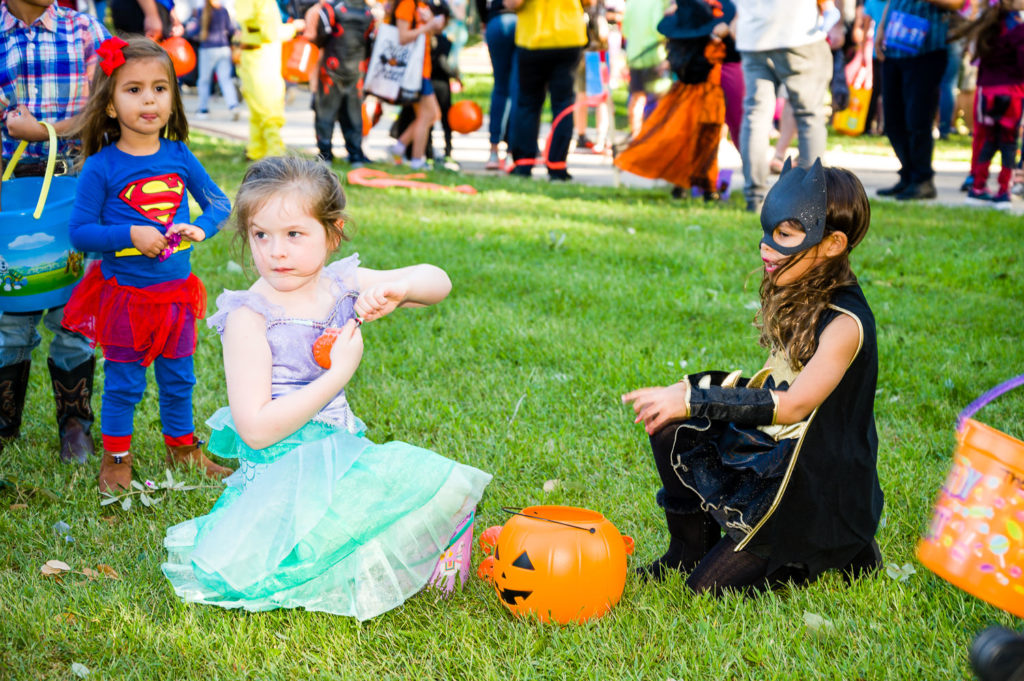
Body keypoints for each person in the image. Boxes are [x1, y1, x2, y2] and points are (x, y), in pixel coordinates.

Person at [161, 156, 491, 619]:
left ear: (332, 235)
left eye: (294, 234)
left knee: (438, 479)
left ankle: (424, 552)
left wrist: (399, 287)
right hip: (283, 476)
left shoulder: (341, 284)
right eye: (261, 235)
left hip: (343, 457)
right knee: (295, 564)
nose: (276, 252)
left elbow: (440, 283)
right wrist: (338, 375)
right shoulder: (249, 317)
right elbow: (255, 430)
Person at [623, 160, 884, 594]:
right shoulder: (797, 285)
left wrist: (696, 398)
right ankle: (687, 547)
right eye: (768, 231)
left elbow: (795, 405)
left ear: (833, 243)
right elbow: (774, 385)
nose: (766, 246)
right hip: (774, 447)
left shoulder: (845, 324)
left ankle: (841, 550)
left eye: (784, 235)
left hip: (813, 484)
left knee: (704, 591)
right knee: (669, 423)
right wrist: (687, 395)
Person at [60, 37, 233, 492]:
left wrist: (202, 227)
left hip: (176, 296)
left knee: (180, 377)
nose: (149, 99)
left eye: (160, 88)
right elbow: (79, 233)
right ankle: (117, 459)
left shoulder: (179, 156)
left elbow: (218, 202)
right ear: (112, 105)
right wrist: (129, 235)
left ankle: (183, 448)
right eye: (133, 89)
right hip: (126, 298)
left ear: (173, 99)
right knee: (123, 384)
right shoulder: (101, 166)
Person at [0, 0, 108, 463]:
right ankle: (5, 420)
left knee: (76, 314)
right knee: (8, 316)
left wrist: (49, 131)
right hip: (11, 194)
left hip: (75, 190)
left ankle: (74, 425)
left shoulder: (83, 27)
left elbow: (108, 100)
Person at [735, 0, 833, 213]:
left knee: (756, 116)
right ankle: (809, 200)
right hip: (798, 32)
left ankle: (755, 197)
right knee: (809, 116)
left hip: (753, 35)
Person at [874, 0, 966, 201]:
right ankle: (907, 175)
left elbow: (957, 3)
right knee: (892, 120)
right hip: (895, 45)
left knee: (918, 119)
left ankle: (922, 180)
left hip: (927, 50)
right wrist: (881, 27)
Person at [950, 0, 1024, 208]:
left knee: (988, 141)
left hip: (986, 94)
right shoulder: (1017, 27)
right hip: (1011, 95)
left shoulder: (986, 25)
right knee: (1009, 144)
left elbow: (978, 59)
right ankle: (1003, 192)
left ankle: (978, 186)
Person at [505, 0, 586, 181]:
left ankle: (524, 163)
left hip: (534, 36)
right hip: (569, 36)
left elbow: (513, 2)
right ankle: (558, 166)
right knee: (563, 103)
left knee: (528, 103)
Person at [235, 0, 304, 160]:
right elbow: (270, 33)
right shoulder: (264, 2)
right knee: (270, 110)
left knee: (256, 110)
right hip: (265, 60)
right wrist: (294, 27)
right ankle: (275, 154)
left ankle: (255, 151)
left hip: (250, 58)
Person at [309, 0, 374, 165]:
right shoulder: (368, 13)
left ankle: (325, 155)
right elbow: (370, 43)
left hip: (332, 68)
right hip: (356, 70)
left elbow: (319, 37)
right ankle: (355, 155)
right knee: (353, 114)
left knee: (325, 113)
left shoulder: (331, 9)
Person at [386, 0, 447, 170]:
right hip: (414, 71)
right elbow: (403, 37)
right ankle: (416, 160)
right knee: (429, 115)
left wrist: (432, 24)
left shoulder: (421, 5)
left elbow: (430, 32)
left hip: (422, 68)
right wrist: (428, 27)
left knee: (430, 115)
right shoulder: (407, 4)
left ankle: (399, 148)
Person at [476, 0, 517, 170]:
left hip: (495, 22)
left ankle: (493, 152)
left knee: (500, 87)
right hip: (519, 21)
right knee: (516, 89)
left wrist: (487, 19)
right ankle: (511, 153)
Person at [186, 0, 241, 120]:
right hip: (224, 48)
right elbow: (231, 30)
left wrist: (188, 30)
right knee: (225, 79)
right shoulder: (223, 10)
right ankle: (233, 105)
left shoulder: (202, 11)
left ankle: (203, 109)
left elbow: (195, 31)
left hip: (208, 48)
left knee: (204, 80)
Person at [621, 0, 667, 140]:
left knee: (636, 96)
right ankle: (652, 135)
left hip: (634, 54)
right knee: (656, 98)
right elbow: (659, 29)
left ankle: (635, 134)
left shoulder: (632, 3)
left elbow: (625, 30)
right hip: (653, 55)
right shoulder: (658, 3)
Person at [573, 0, 611, 153]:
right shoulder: (593, 9)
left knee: (589, 97)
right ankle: (593, 138)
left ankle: (589, 137)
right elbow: (603, 34)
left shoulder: (585, 8)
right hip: (592, 55)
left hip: (588, 55)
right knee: (593, 98)